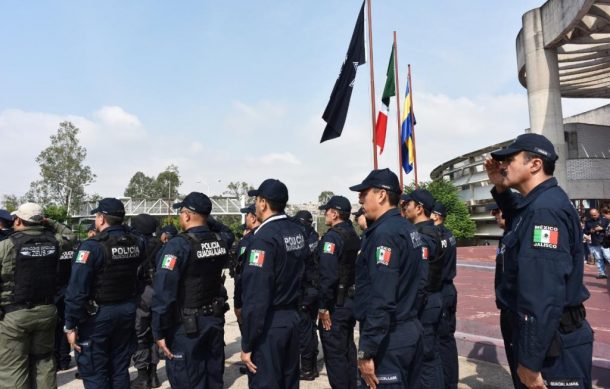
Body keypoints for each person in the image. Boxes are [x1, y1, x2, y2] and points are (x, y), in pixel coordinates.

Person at [485, 133, 593, 388]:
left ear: (535, 164)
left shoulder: (545, 210)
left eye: (509, 159)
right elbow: (518, 214)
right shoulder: (536, 205)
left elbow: (542, 292)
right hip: (542, 337)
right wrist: (500, 186)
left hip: (552, 345)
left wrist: (531, 362)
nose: (502, 165)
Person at [349, 168, 423, 389]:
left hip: (390, 339)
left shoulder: (385, 234)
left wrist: (367, 350)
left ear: (381, 195)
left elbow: (381, 296)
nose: (360, 198)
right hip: (409, 329)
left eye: (364, 193)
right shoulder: (406, 228)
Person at [151, 192, 234, 388]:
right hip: (213, 321)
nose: (180, 217)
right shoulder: (220, 240)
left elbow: (164, 292)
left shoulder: (177, 245)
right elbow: (227, 231)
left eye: (181, 213)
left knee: (187, 380)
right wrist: (206, 218)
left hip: (186, 328)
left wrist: (158, 331)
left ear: (187, 215)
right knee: (212, 379)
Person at [64, 197, 146, 388]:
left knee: (94, 371)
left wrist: (70, 325)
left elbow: (77, 290)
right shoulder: (136, 243)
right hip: (127, 310)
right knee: (119, 368)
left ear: (100, 219)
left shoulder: (91, 247)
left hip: (98, 317)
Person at [240, 179, 309, 389]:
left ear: (262, 202)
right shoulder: (297, 231)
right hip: (292, 317)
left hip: (270, 324)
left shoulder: (263, 239)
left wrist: (248, 343)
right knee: (288, 382)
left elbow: (256, 295)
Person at [0, 203, 63, 388]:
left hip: (14, 316)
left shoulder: (6, 246)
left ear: (18, 220)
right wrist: (49, 222)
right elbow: (70, 235)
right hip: (47, 312)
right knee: (44, 362)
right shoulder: (55, 242)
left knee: (12, 367)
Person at [401, 189, 445, 389]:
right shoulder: (426, 231)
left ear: (419, 208)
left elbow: (422, 276)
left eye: (408, 204)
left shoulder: (424, 235)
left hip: (425, 302)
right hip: (430, 299)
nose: (405, 208)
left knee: (427, 357)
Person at [317, 196, 360, 388]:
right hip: (350, 300)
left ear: (335, 214)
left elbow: (329, 276)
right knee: (348, 349)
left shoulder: (332, 237)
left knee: (335, 356)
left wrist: (323, 307)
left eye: (327, 211)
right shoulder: (353, 234)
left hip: (336, 303)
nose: (325, 214)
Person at [130, 214, 163, 389]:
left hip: (142, 293)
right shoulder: (161, 244)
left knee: (140, 335)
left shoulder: (134, 245)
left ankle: (142, 376)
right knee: (154, 333)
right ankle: (154, 375)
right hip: (158, 293)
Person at [431, 202, 459, 389]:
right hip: (449, 289)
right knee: (447, 338)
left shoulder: (438, 235)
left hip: (441, 290)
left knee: (442, 340)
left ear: (436, 215)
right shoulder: (449, 234)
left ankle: (447, 382)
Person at [293, 209, 321, 381]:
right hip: (315, 290)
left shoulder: (303, 239)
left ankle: (308, 369)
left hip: (305, 291)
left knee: (305, 331)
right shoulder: (314, 236)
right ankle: (311, 365)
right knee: (310, 329)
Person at [233, 204, 260, 375]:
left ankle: (253, 360)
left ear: (253, 217)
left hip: (249, 295)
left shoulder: (249, 241)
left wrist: (238, 301)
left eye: (246, 215)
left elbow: (241, 274)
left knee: (250, 328)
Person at [584, 208, 610, 279]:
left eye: (595, 215)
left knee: (608, 256)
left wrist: (602, 229)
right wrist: (590, 231)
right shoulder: (588, 222)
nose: (593, 216)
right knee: (599, 258)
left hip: (605, 242)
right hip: (595, 242)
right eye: (592, 215)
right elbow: (585, 231)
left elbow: (608, 229)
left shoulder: (605, 219)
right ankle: (602, 273)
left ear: (598, 213)